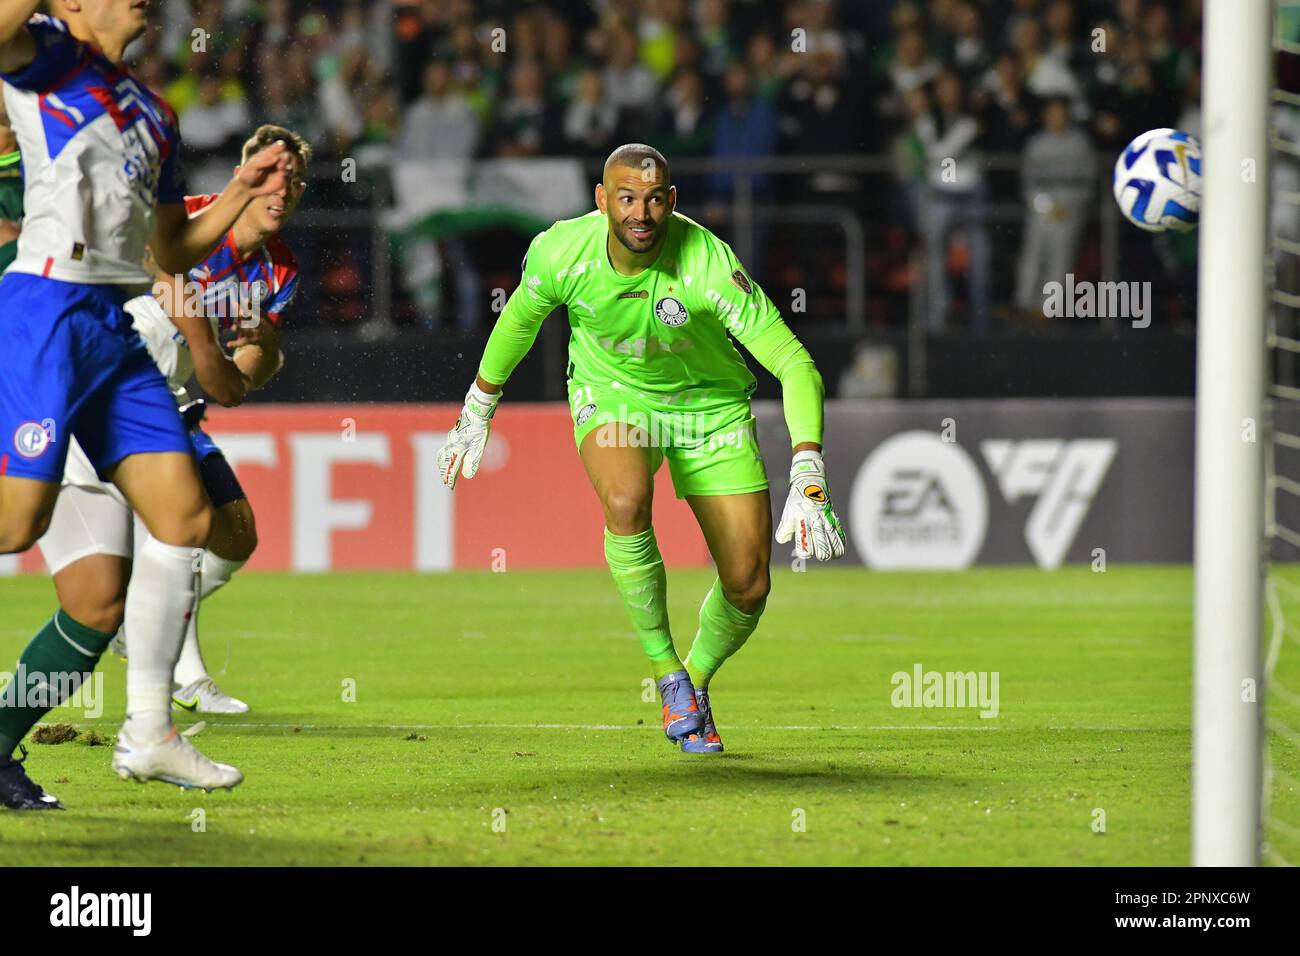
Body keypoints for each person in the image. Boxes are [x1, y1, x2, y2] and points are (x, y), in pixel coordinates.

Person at [436, 144, 845, 755]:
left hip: (710, 411)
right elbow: (519, 320)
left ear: (671, 201)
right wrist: (478, 406)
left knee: (749, 584)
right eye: (627, 198)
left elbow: (794, 363)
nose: (641, 213)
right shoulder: (560, 252)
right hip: (614, 396)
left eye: (655, 199)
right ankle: (667, 671)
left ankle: (697, 681)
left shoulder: (708, 262)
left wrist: (808, 463)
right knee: (626, 500)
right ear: (602, 200)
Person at [0, 2, 289, 808]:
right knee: (14, 525)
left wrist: (238, 189)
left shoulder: (153, 111)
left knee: (186, 520)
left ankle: (150, 733)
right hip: (48, 308)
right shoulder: (47, 57)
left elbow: (172, 250)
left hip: (111, 322)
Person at [50, 125, 307, 717]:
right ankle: (177, 677)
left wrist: (259, 347)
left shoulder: (281, 271)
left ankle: (146, 635)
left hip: (172, 400)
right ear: (244, 172)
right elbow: (157, 268)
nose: (281, 191)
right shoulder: (189, 217)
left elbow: (243, 378)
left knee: (235, 535)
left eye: (294, 184)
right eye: (270, 175)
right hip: (110, 386)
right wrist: (207, 342)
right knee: (177, 529)